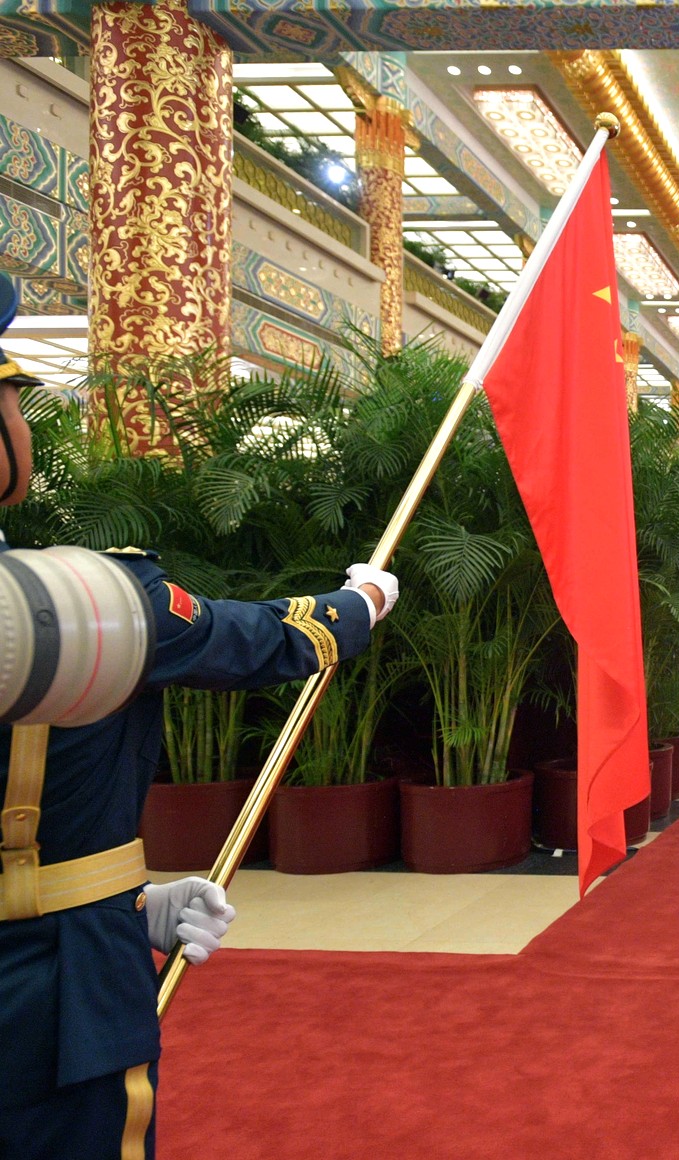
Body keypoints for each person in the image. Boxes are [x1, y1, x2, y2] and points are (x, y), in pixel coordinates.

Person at [0, 275, 398, 1160]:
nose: (25, 425)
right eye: (14, 402)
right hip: (53, 985)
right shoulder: (80, 603)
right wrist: (359, 604)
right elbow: (254, 640)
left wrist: (129, 901)